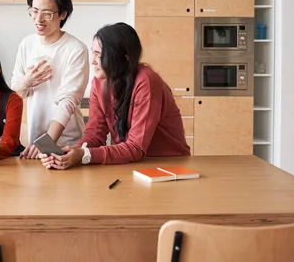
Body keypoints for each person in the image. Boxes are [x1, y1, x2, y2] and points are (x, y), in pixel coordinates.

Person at [39, 22, 191, 170]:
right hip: (131, 162)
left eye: (98, 55)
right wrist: (72, 152)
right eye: (93, 53)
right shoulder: (99, 82)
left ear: (123, 58)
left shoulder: (146, 82)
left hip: (168, 164)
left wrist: (85, 154)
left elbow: (136, 147)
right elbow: (95, 132)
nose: (92, 61)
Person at [11, 0, 89, 159]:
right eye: (34, 11)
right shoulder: (27, 44)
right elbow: (15, 93)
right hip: (36, 139)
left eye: (46, 13)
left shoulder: (75, 49)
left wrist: (46, 143)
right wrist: (26, 83)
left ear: (62, 14)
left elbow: (68, 102)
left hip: (66, 141)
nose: (38, 19)